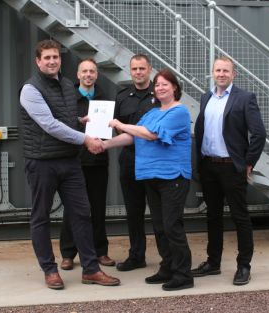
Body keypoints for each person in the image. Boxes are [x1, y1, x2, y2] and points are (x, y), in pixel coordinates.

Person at [19, 39, 120, 289]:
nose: (52, 61)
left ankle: (91, 269)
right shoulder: (30, 89)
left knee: (82, 214)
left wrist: (81, 120)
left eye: (56, 57)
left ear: (60, 60)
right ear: (38, 61)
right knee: (41, 217)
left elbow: (63, 117)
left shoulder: (65, 85)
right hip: (42, 163)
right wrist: (86, 138)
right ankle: (49, 270)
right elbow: (49, 124)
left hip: (69, 161)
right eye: (47, 58)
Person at [104, 68, 194, 291]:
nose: (160, 87)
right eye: (158, 84)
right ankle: (167, 267)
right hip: (151, 176)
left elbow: (151, 134)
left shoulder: (179, 111)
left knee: (172, 226)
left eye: (165, 84)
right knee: (160, 226)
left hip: (173, 176)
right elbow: (132, 136)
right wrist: (104, 144)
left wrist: (120, 124)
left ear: (174, 87)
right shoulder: (152, 113)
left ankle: (183, 274)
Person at [191, 56, 266, 286]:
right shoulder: (206, 98)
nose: (221, 74)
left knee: (240, 217)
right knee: (213, 217)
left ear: (234, 74)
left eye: (226, 70)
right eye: (218, 70)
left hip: (232, 168)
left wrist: (248, 162)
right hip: (209, 166)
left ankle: (244, 266)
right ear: (212, 73)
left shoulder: (245, 98)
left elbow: (259, 134)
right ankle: (213, 263)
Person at [59, 58, 115, 270]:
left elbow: (110, 131)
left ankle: (101, 252)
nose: (88, 75)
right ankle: (68, 253)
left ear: (97, 75)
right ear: (78, 75)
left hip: (98, 161)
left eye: (92, 71)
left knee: (98, 208)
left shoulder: (104, 101)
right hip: (74, 161)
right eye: (85, 71)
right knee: (72, 209)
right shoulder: (68, 99)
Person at [113, 54, 157, 271]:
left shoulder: (159, 95)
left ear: (149, 69)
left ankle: (167, 257)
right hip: (129, 159)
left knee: (158, 211)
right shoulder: (122, 97)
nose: (138, 72)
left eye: (142, 68)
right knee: (134, 211)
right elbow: (114, 128)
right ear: (130, 71)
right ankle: (137, 256)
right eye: (134, 69)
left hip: (154, 160)